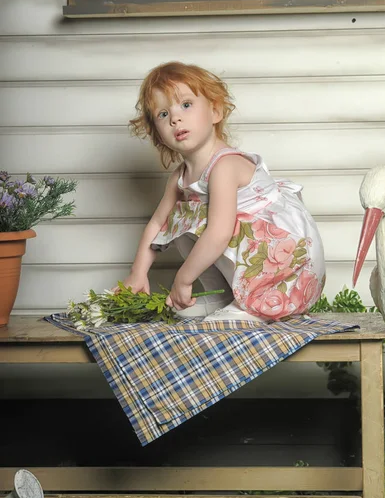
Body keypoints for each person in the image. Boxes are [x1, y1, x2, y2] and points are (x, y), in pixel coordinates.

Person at [117, 61, 326, 322]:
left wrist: (184, 278)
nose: (175, 118)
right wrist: (138, 273)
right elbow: (157, 224)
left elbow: (219, 233)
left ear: (215, 112)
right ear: (158, 134)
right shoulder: (179, 177)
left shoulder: (224, 166)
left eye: (186, 104)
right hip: (248, 256)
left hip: (285, 268)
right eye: (162, 114)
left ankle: (254, 304)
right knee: (178, 217)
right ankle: (224, 296)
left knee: (208, 222)